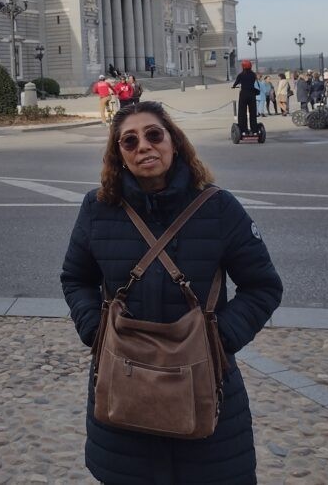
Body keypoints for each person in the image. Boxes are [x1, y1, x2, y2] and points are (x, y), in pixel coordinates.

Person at [61, 101, 282, 484]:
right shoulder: (98, 210)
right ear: (119, 157)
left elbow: (262, 286)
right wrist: (95, 330)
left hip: (206, 389)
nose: (143, 146)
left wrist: (219, 337)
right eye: (129, 141)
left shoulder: (218, 208)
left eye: (153, 135)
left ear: (174, 142)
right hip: (123, 394)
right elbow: (75, 278)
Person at [231, 59, 259, 133]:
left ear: (243, 67)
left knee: (242, 112)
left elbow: (236, 82)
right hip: (252, 94)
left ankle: (244, 129)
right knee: (253, 112)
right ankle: (254, 129)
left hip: (244, 94)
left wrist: (234, 86)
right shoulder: (253, 74)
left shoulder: (241, 75)